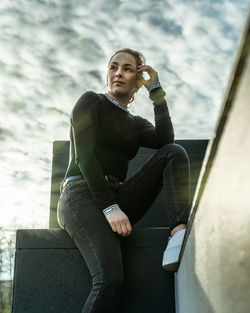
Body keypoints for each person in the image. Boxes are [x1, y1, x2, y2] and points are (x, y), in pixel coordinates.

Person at [57, 48, 191, 313]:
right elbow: (84, 157)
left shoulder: (135, 123)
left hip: (117, 195)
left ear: (138, 80)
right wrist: (110, 207)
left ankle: (178, 233)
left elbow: (165, 141)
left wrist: (157, 91)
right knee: (109, 280)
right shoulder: (90, 102)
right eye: (113, 67)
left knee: (173, 153)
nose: (118, 73)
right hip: (81, 194)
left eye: (128, 69)